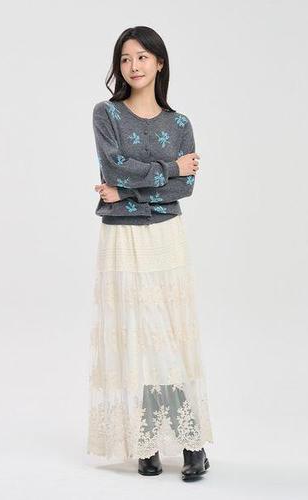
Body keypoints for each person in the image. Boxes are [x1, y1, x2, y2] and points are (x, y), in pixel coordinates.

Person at [87, 26, 213, 481]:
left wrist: (126, 192)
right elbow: (115, 167)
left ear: (159, 62)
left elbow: (186, 187)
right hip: (123, 238)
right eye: (125, 59)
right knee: (139, 336)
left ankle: (190, 441)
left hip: (165, 237)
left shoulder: (179, 125)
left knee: (167, 337)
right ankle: (149, 441)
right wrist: (168, 169)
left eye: (142, 57)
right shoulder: (106, 114)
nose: (133, 66)